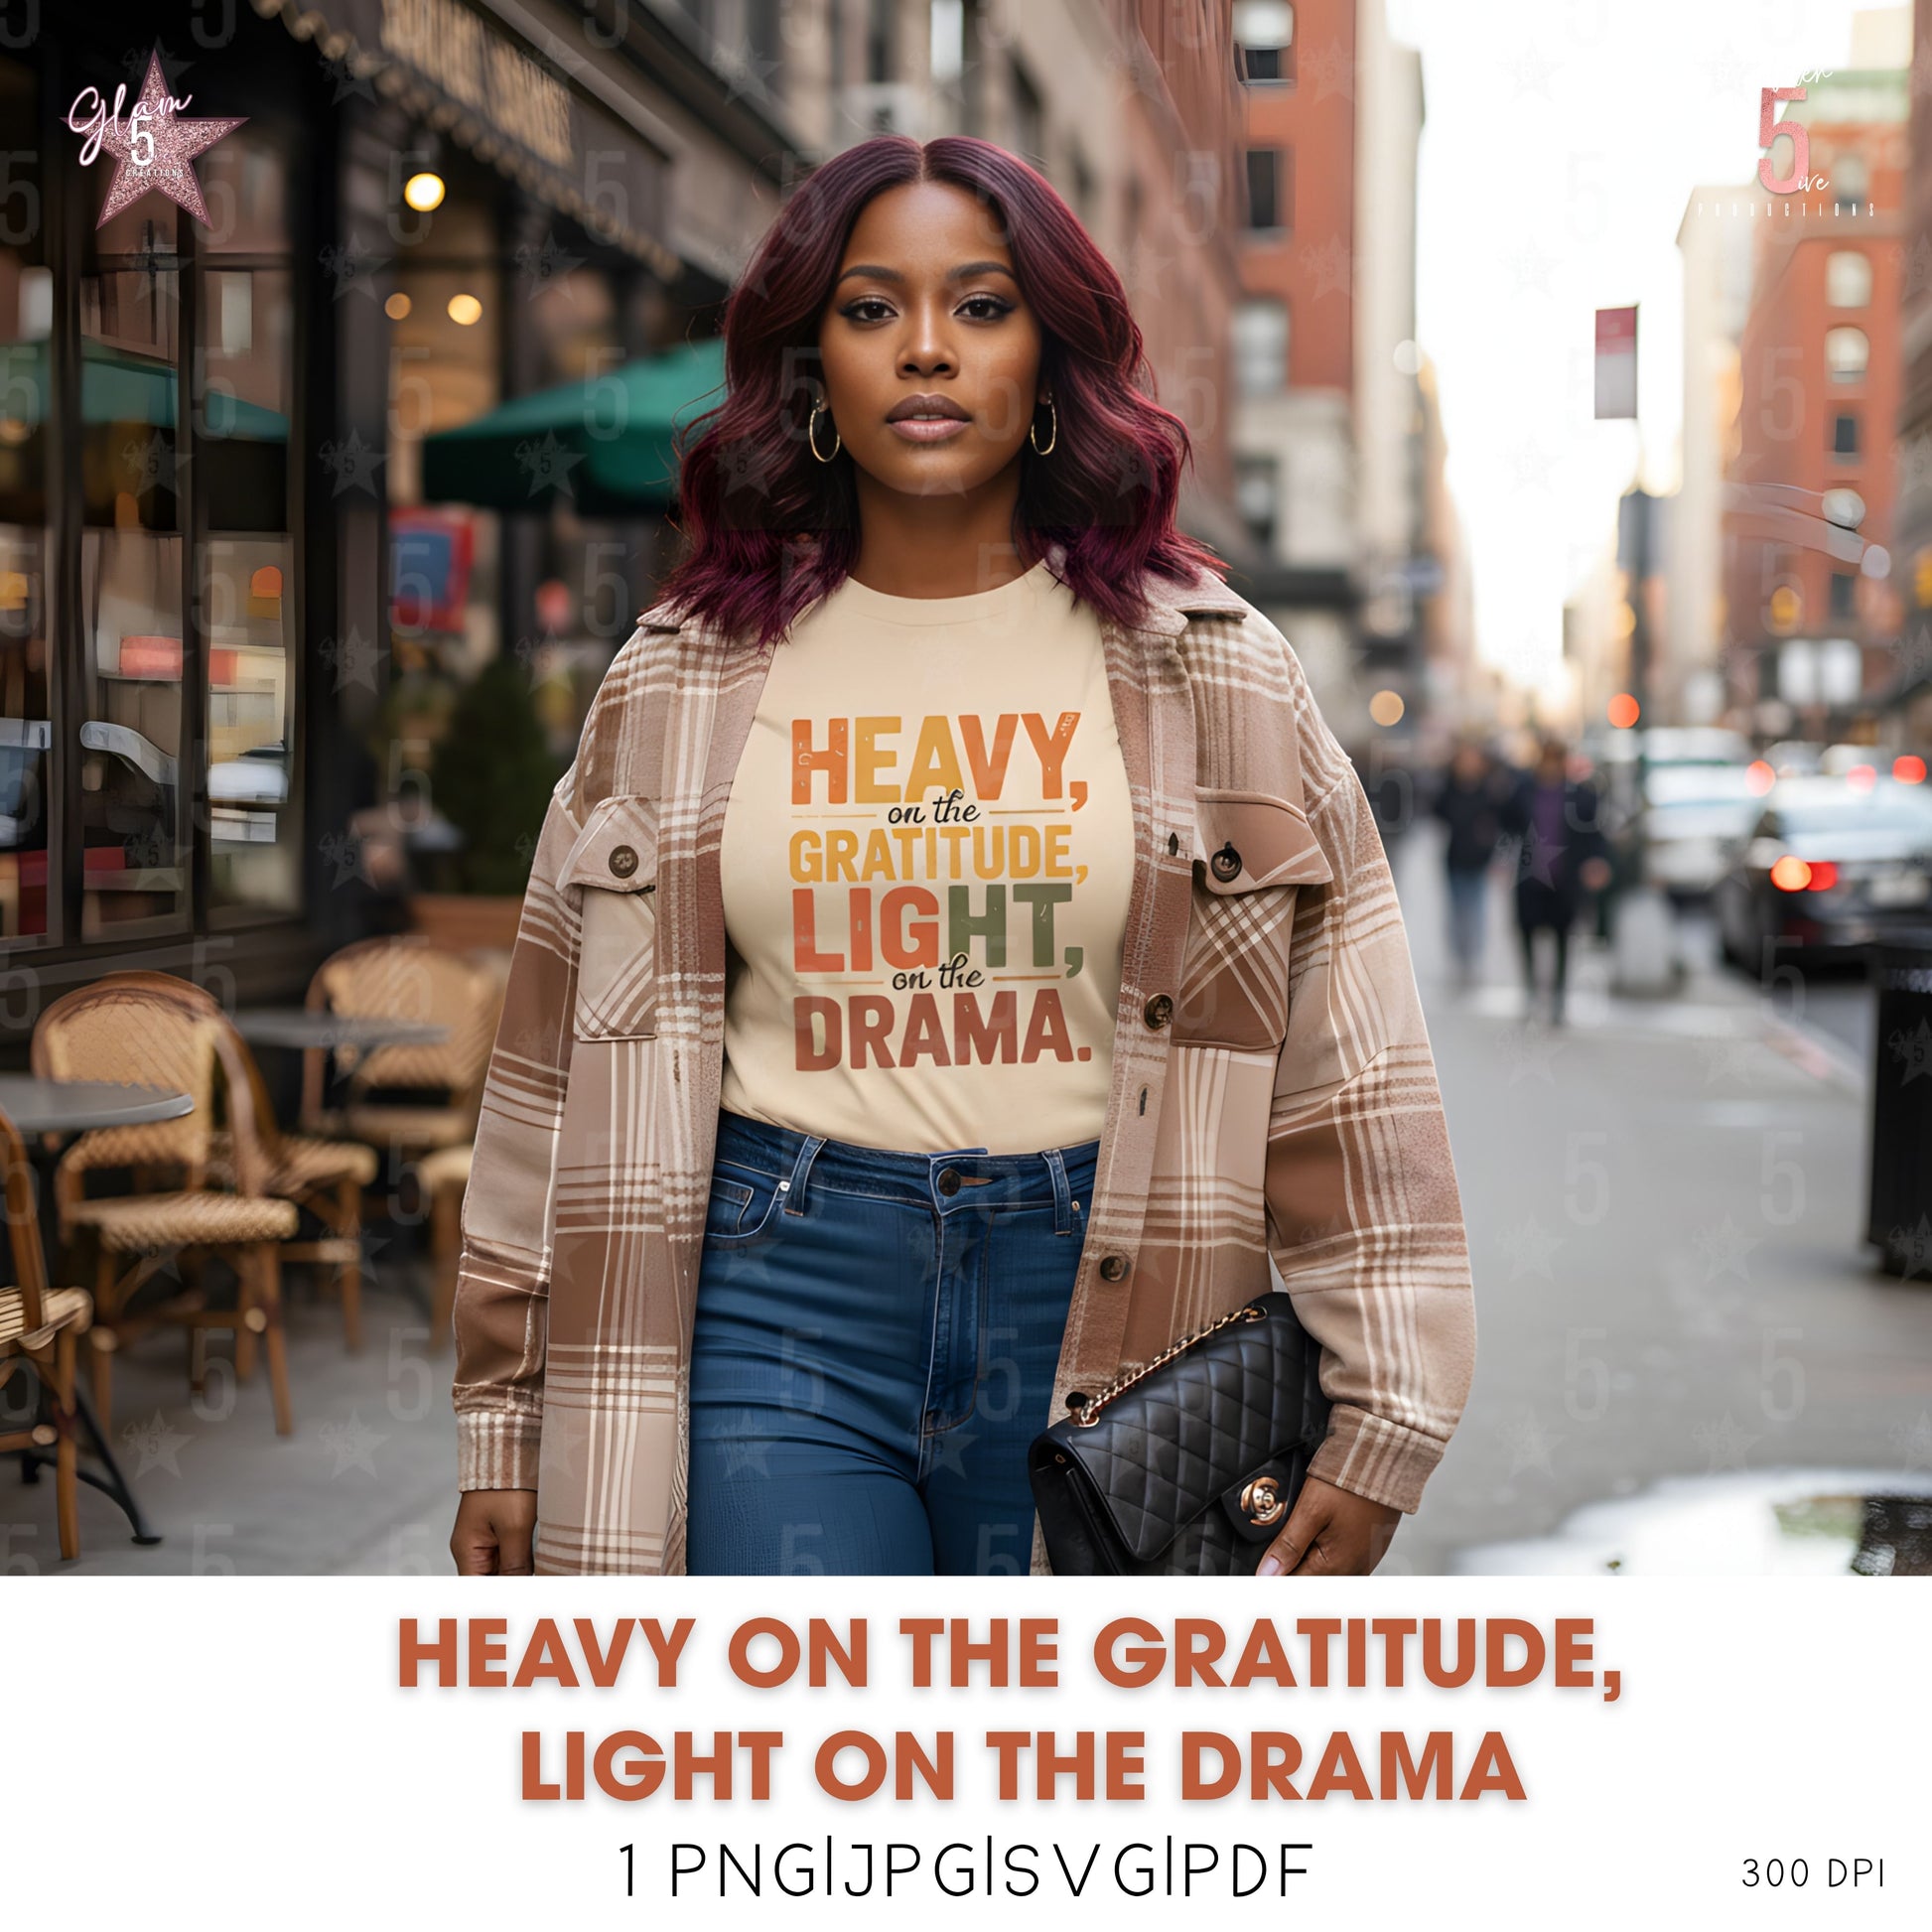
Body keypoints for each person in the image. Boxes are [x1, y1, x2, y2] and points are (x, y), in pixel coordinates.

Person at [448, 137, 1476, 1580]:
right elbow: (546, 1072)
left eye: (980, 307)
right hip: (772, 1290)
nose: (925, 349)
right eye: (871, 310)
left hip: (1114, 1304)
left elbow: (1349, 1069)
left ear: (1050, 357)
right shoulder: (678, 677)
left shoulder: (1217, 674)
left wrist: (1386, 1421)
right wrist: (500, 1420)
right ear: (812, 364)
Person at [1498, 735, 1613, 1025]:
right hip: (1529, 877)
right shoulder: (1524, 790)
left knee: (1563, 937)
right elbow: (1507, 825)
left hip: (1565, 878)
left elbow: (1594, 834)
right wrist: (1500, 858)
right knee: (1526, 933)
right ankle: (1531, 992)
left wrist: (1596, 862)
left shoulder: (1581, 796)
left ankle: (1559, 998)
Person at [1429, 738, 1509, 988]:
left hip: (1479, 859)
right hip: (1455, 858)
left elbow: (1501, 819)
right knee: (1456, 912)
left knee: (1476, 911)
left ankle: (1473, 959)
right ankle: (1460, 959)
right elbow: (1437, 811)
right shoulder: (1450, 788)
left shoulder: (1489, 790)